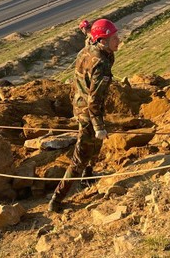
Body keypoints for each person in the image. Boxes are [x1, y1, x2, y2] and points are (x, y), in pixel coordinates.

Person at [48, 18, 119, 213]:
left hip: (79, 104)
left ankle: (88, 176)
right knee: (80, 155)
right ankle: (57, 199)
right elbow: (94, 100)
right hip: (88, 111)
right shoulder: (101, 63)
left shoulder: (88, 50)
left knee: (96, 145)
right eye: (113, 38)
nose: (118, 40)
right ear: (102, 41)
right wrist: (98, 126)